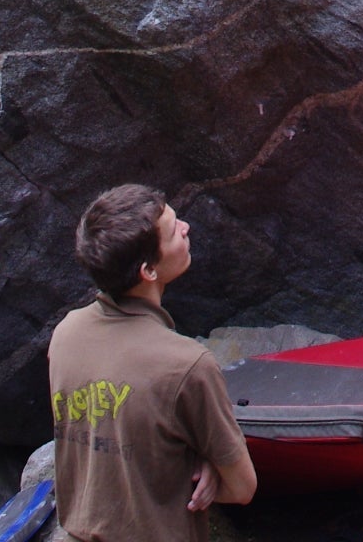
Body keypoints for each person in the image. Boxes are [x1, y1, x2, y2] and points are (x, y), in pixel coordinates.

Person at [48, 186, 257, 542]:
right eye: (174, 228)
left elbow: (116, 439)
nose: (187, 227)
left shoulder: (66, 334)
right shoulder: (188, 365)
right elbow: (242, 488)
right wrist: (208, 468)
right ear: (148, 270)